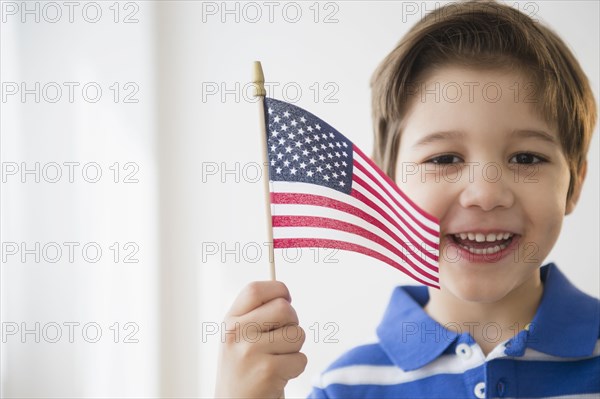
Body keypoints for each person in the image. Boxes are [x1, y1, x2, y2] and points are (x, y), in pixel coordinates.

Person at [215, 1, 599, 398]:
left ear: (575, 183)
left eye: (526, 158)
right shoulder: (345, 387)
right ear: (388, 183)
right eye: (444, 159)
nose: (486, 194)